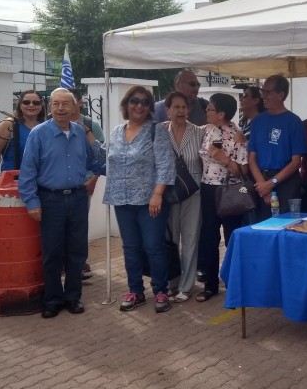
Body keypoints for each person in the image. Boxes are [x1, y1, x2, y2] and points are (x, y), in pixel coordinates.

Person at [18, 88, 105, 319]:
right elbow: (28, 171)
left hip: (77, 197)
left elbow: (92, 162)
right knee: (53, 252)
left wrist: (114, 170)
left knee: (77, 251)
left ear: (74, 107)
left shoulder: (79, 132)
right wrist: (32, 201)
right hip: (50, 200)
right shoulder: (38, 134)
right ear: (50, 107)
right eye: (55, 104)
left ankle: (73, 297)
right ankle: (53, 299)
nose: (60, 109)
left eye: (65, 104)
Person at [103, 86, 176, 313]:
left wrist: (157, 194)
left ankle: (161, 290)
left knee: (154, 247)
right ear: (126, 104)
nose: (140, 105)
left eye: (145, 102)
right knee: (131, 248)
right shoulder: (116, 131)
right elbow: (107, 158)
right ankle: (135, 291)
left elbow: (166, 164)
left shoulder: (156, 130)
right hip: (121, 199)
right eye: (135, 101)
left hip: (149, 201)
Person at [196, 93, 249, 303]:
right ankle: (210, 284)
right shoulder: (206, 130)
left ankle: (233, 280)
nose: (206, 112)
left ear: (221, 113)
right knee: (208, 237)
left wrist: (223, 158)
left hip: (231, 191)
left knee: (231, 238)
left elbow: (242, 171)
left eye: (210, 109)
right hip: (208, 188)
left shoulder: (237, 135)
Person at [163, 91, 205, 303]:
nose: (181, 111)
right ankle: (172, 282)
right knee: (171, 240)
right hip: (169, 193)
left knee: (189, 240)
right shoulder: (161, 132)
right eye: (176, 107)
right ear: (167, 110)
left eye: (184, 107)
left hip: (193, 192)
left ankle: (186, 286)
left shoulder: (199, 132)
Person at [248, 74, 307, 218]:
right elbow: (251, 158)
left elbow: (296, 162)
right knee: (262, 229)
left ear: (280, 95)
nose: (263, 96)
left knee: (285, 226)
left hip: (286, 183)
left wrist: (271, 183)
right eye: (263, 92)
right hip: (261, 182)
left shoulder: (294, 122)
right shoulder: (257, 121)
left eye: (267, 92)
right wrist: (263, 185)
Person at [69, 88, 104, 280]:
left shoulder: (90, 124)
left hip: (84, 183)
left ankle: (79, 263)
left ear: (80, 102)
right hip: (58, 185)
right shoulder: (54, 125)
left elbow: (101, 155)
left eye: (70, 101)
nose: (66, 105)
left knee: (79, 224)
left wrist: (94, 179)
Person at [0, 89, 46, 185]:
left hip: (41, 182)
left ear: (41, 106)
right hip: (13, 182)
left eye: (36, 103)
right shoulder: (9, 124)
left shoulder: (46, 126)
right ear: (20, 105)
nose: (31, 105)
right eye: (26, 102)